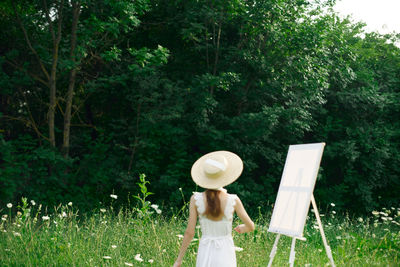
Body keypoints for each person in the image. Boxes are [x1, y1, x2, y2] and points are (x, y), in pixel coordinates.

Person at [173, 151, 255, 267]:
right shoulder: (233, 200)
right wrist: (243, 228)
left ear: (205, 177)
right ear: (225, 176)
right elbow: (251, 226)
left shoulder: (195, 199)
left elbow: (189, 232)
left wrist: (179, 260)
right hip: (226, 252)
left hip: (205, 250)